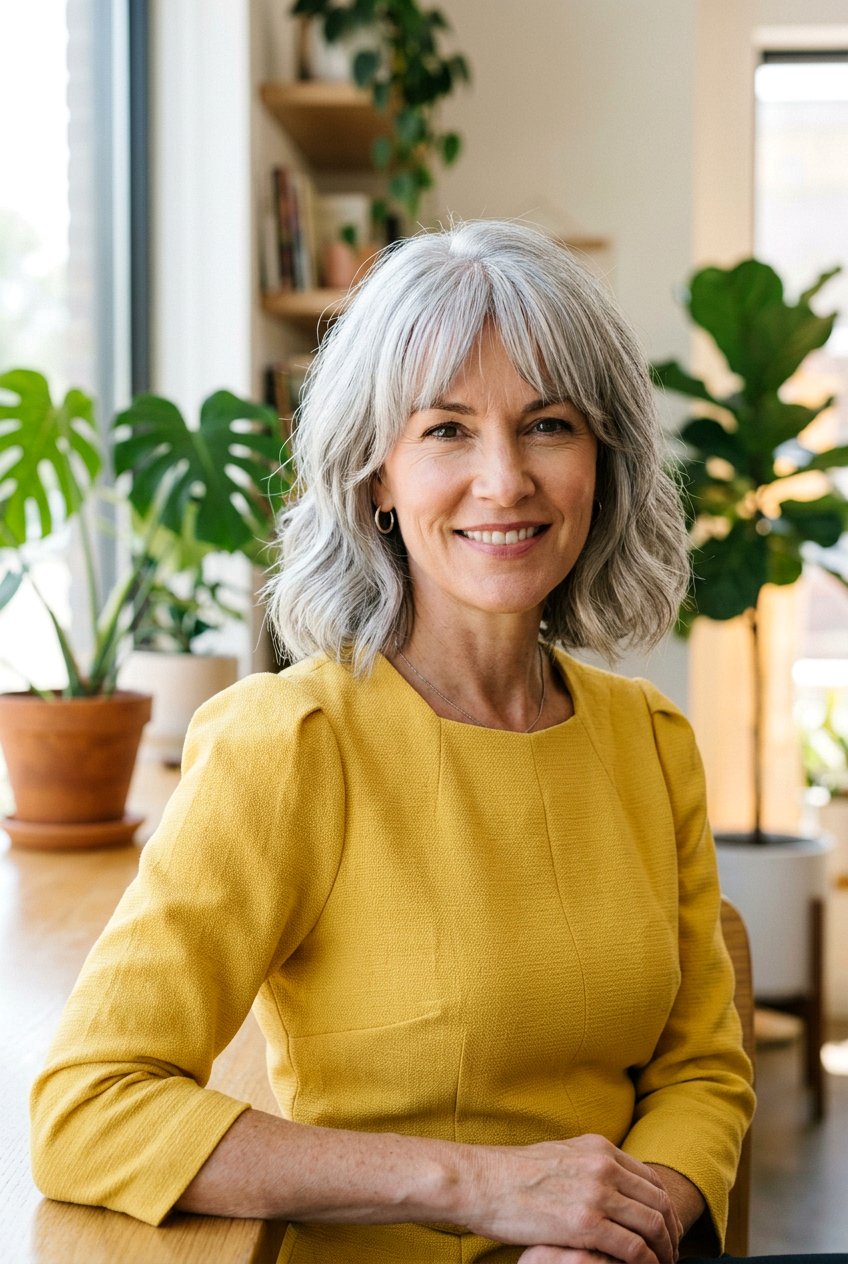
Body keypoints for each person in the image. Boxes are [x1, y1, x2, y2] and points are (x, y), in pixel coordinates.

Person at [30, 220, 755, 1264]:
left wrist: (602, 1235)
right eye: (446, 430)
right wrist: (486, 1189)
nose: (503, 480)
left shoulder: (649, 742)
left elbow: (701, 1073)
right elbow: (88, 1106)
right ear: (374, 475)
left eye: (547, 424)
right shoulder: (288, 745)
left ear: (603, 460)